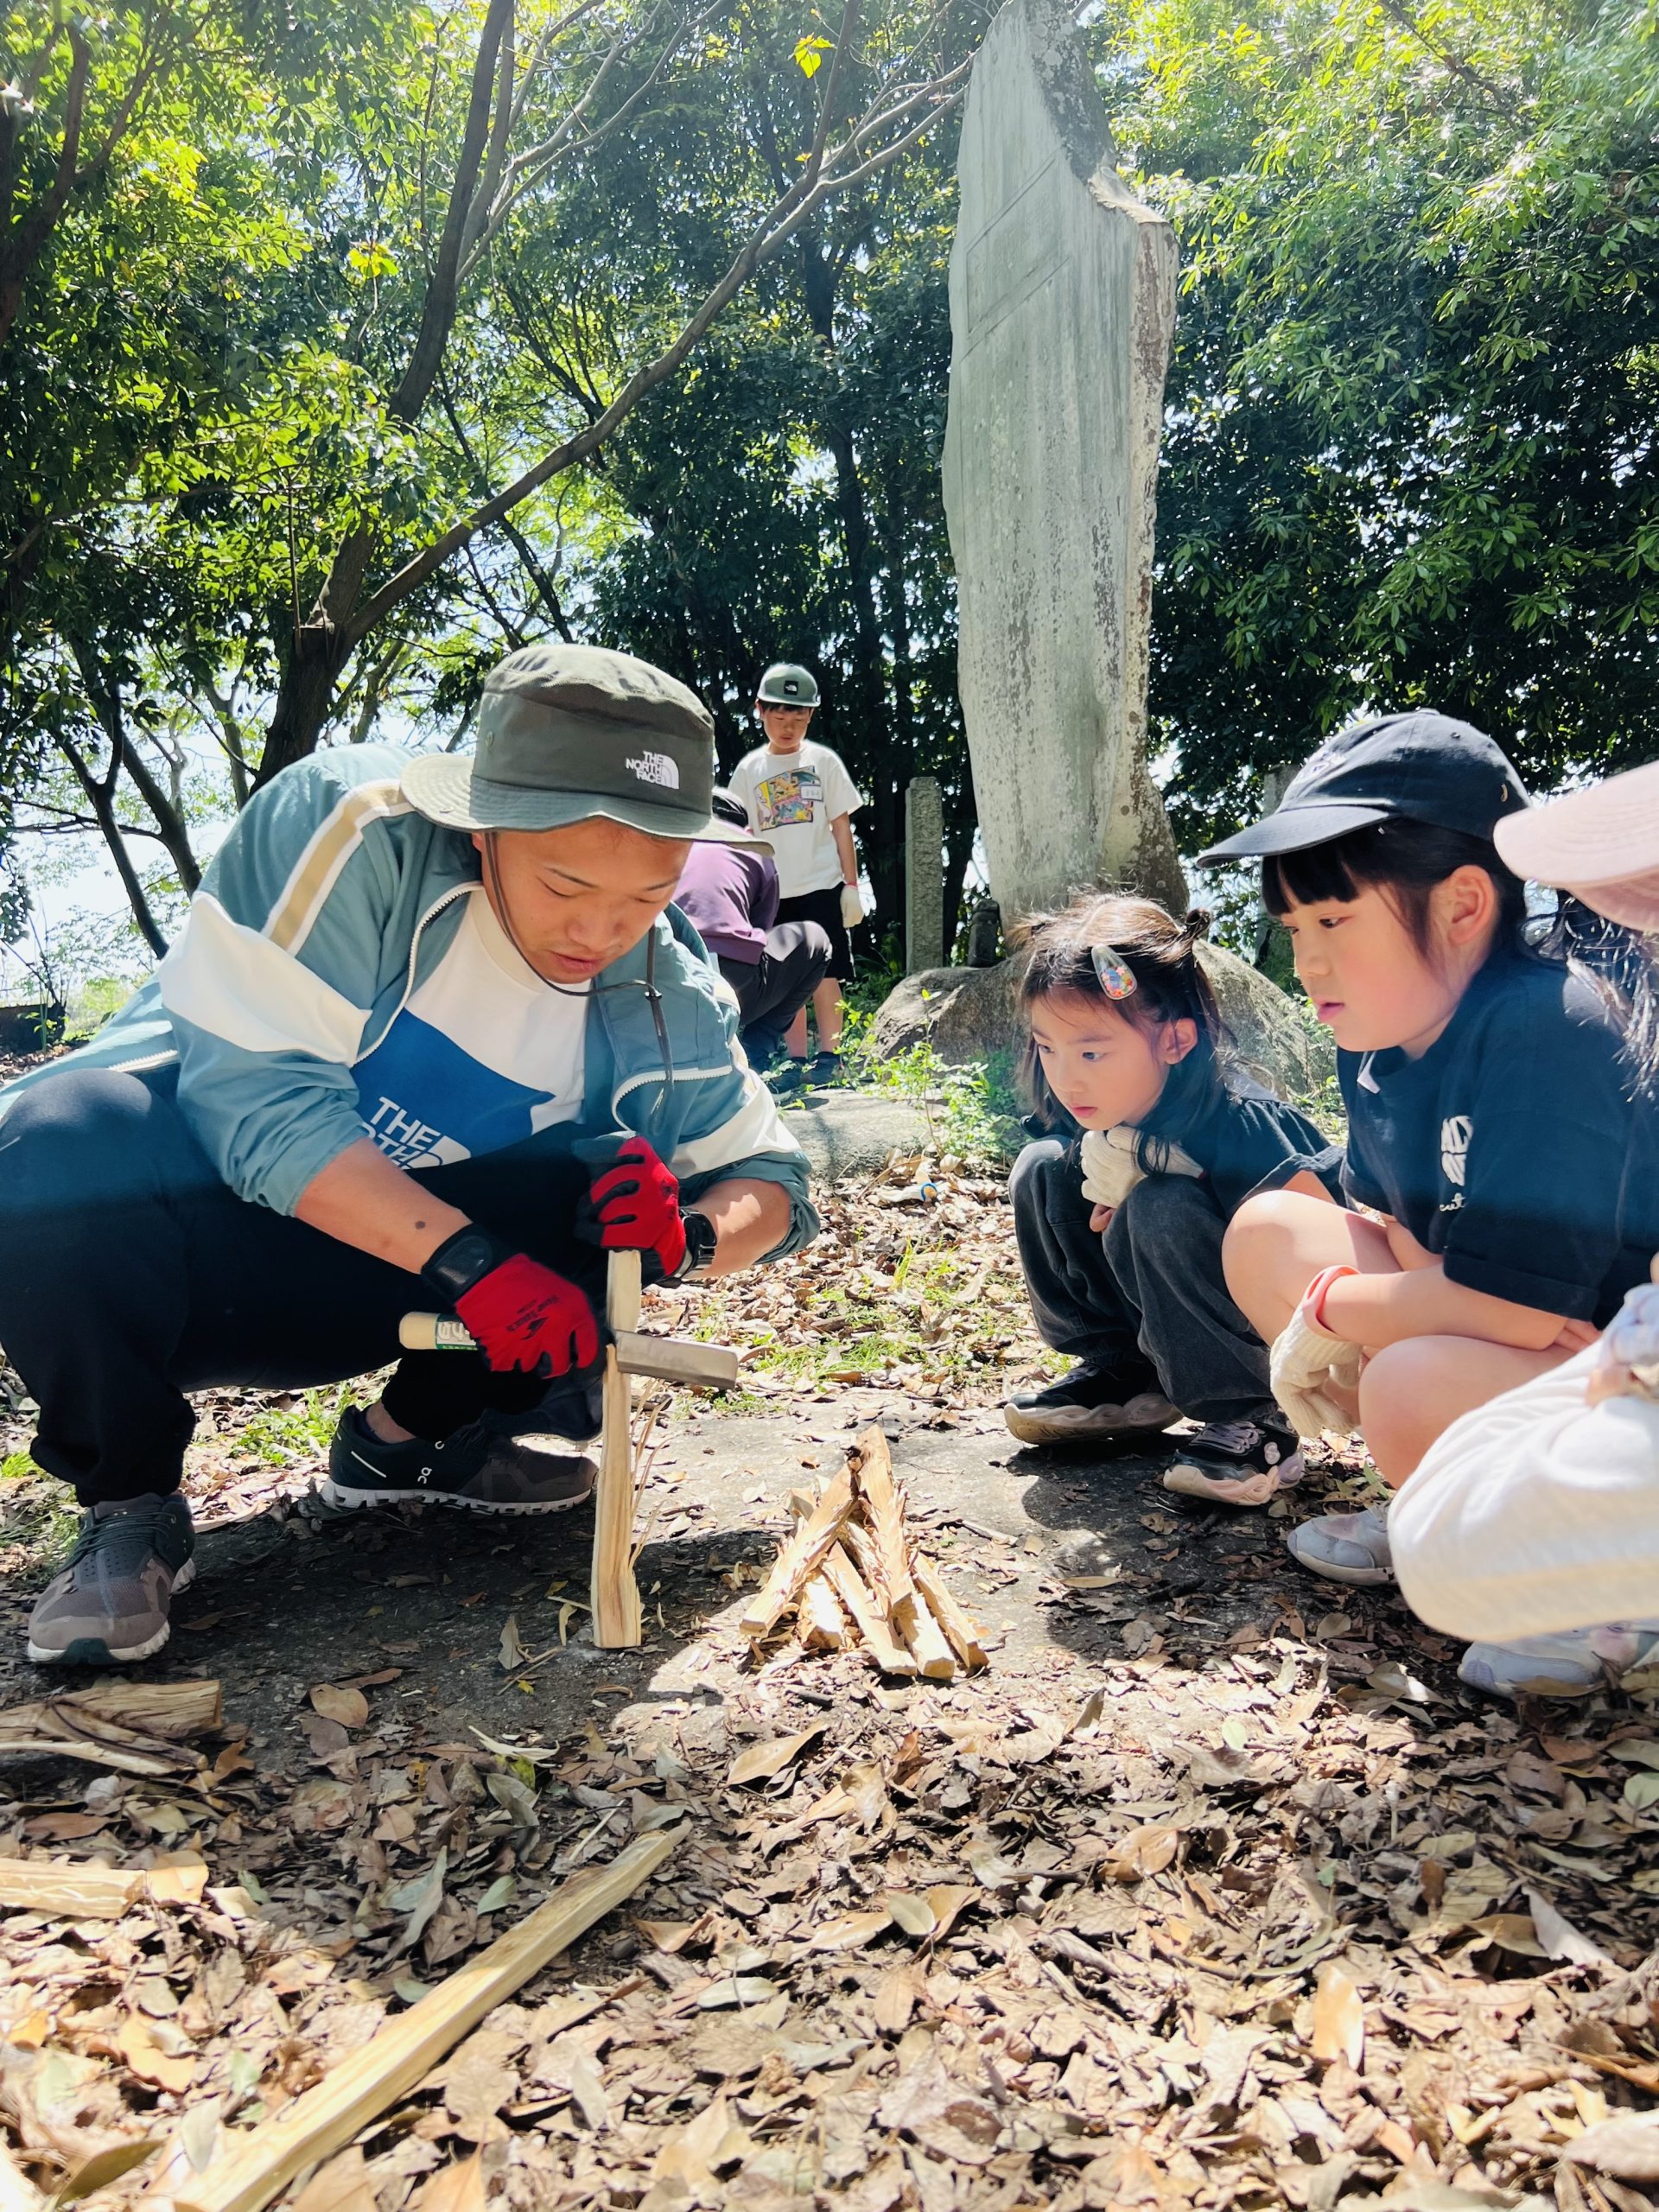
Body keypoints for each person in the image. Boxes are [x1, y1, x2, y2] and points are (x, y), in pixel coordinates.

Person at [0, 643, 818, 1667]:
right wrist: (474, 1264)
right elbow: (259, 1108)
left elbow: (777, 1185)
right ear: (485, 828)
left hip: (403, 1290)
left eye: (648, 895)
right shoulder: (352, 831)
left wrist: (687, 1235)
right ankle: (131, 1503)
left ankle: (415, 1443)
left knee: (595, 1189)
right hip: (194, 1238)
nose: (603, 929)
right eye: (566, 883)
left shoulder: (663, 981)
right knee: (46, 1148)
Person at [1208, 713, 1659, 1693]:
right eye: (1294, 930)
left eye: (1333, 921)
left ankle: (1602, 1592)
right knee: (1268, 1232)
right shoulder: (1376, 1043)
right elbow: (1400, 1229)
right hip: (1540, 1334)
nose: (1307, 962)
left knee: (1404, 1381)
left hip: (1617, 1363)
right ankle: (1444, 1497)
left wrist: (1332, 1314)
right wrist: (1405, 1297)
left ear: (1463, 907)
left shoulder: (1549, 1024)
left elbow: (1521, 1309)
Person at [1387, 762, 1659, 1695]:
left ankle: (1625, 1602)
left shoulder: (1560, 1028)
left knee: (1447, 1542)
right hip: (1603, 1347)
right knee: (1445, 1520)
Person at [1003, 893, 1344, 1503]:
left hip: (1268, 1334)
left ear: (1176, 1041)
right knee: (1044, 1167)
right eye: (1047, 1047)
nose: (1065, 1075)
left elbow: (1325, 1240)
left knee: (1159, 1206)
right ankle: (1125, 1373)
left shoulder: (1239, 1120)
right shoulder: (1095, 1102)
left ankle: (1256, 1417)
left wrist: (1176, 1197)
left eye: (1090, 1051)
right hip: (1164, 1318)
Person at [728, 664, 865, 1090]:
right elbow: (737, 835)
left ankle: (832, 1056)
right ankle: (794, 1061)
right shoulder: (749, 769)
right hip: (772, 891)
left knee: (826, 975)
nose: (789, 725)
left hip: (821, 884)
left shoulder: (822, 761)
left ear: (810, 716)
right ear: (761, 711)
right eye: (780, 715)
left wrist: (852, 886)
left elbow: (841, 826)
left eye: (799, 716)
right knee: (785, 977)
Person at [671, 791, 831, 1078]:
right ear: (747, 830)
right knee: (816, 941)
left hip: (663, 974)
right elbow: (760, 935)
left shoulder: (669, 842)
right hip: (734, 981)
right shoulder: (753, 849)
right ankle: (755, 1057)